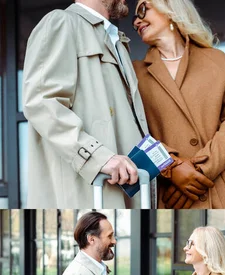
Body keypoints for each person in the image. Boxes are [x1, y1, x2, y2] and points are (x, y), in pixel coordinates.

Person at [22, 0, 150, 208]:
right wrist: (98, 157)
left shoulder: (116, 39)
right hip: (87, 193)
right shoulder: (62, 22)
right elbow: (41, 102)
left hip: (126, 189)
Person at [132, 0, 225, 209]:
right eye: (135, 16)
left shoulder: (218, 62)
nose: (136, 21)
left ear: (170, 9)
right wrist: (172, 167)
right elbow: (133, 134)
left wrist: (200, 169)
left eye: (143, 9)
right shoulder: (135, 74)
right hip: (172, 194)